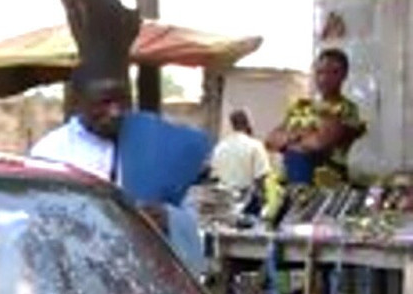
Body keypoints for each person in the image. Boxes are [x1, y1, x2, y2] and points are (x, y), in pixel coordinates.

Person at [28, 67, 208, 274]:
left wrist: (168, 218)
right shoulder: (52, 152)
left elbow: (189, 217)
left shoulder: (154, 146)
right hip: (76, 278)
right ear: (78, 102)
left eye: (123, 102)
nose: (115, 112)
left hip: (141, 280)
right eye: (104, 103)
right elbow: (35, 222)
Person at [265, 48, 366, 184]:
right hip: (290, 183)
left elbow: (320, 143)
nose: (324, 78)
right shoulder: (301, 106)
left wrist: (290, 137)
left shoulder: (346, 109)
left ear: (344, 75)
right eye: (320, 72)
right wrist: (303, 135)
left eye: (333, 72)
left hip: (327, 187)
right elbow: (271, 140)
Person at [209, 109, 271, 192]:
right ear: (247, 124)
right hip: (245, 196)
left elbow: (214, 174)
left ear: (231, 125)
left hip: (223, 195)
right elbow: (261, 175)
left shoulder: (221, 146)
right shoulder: (255, 146)